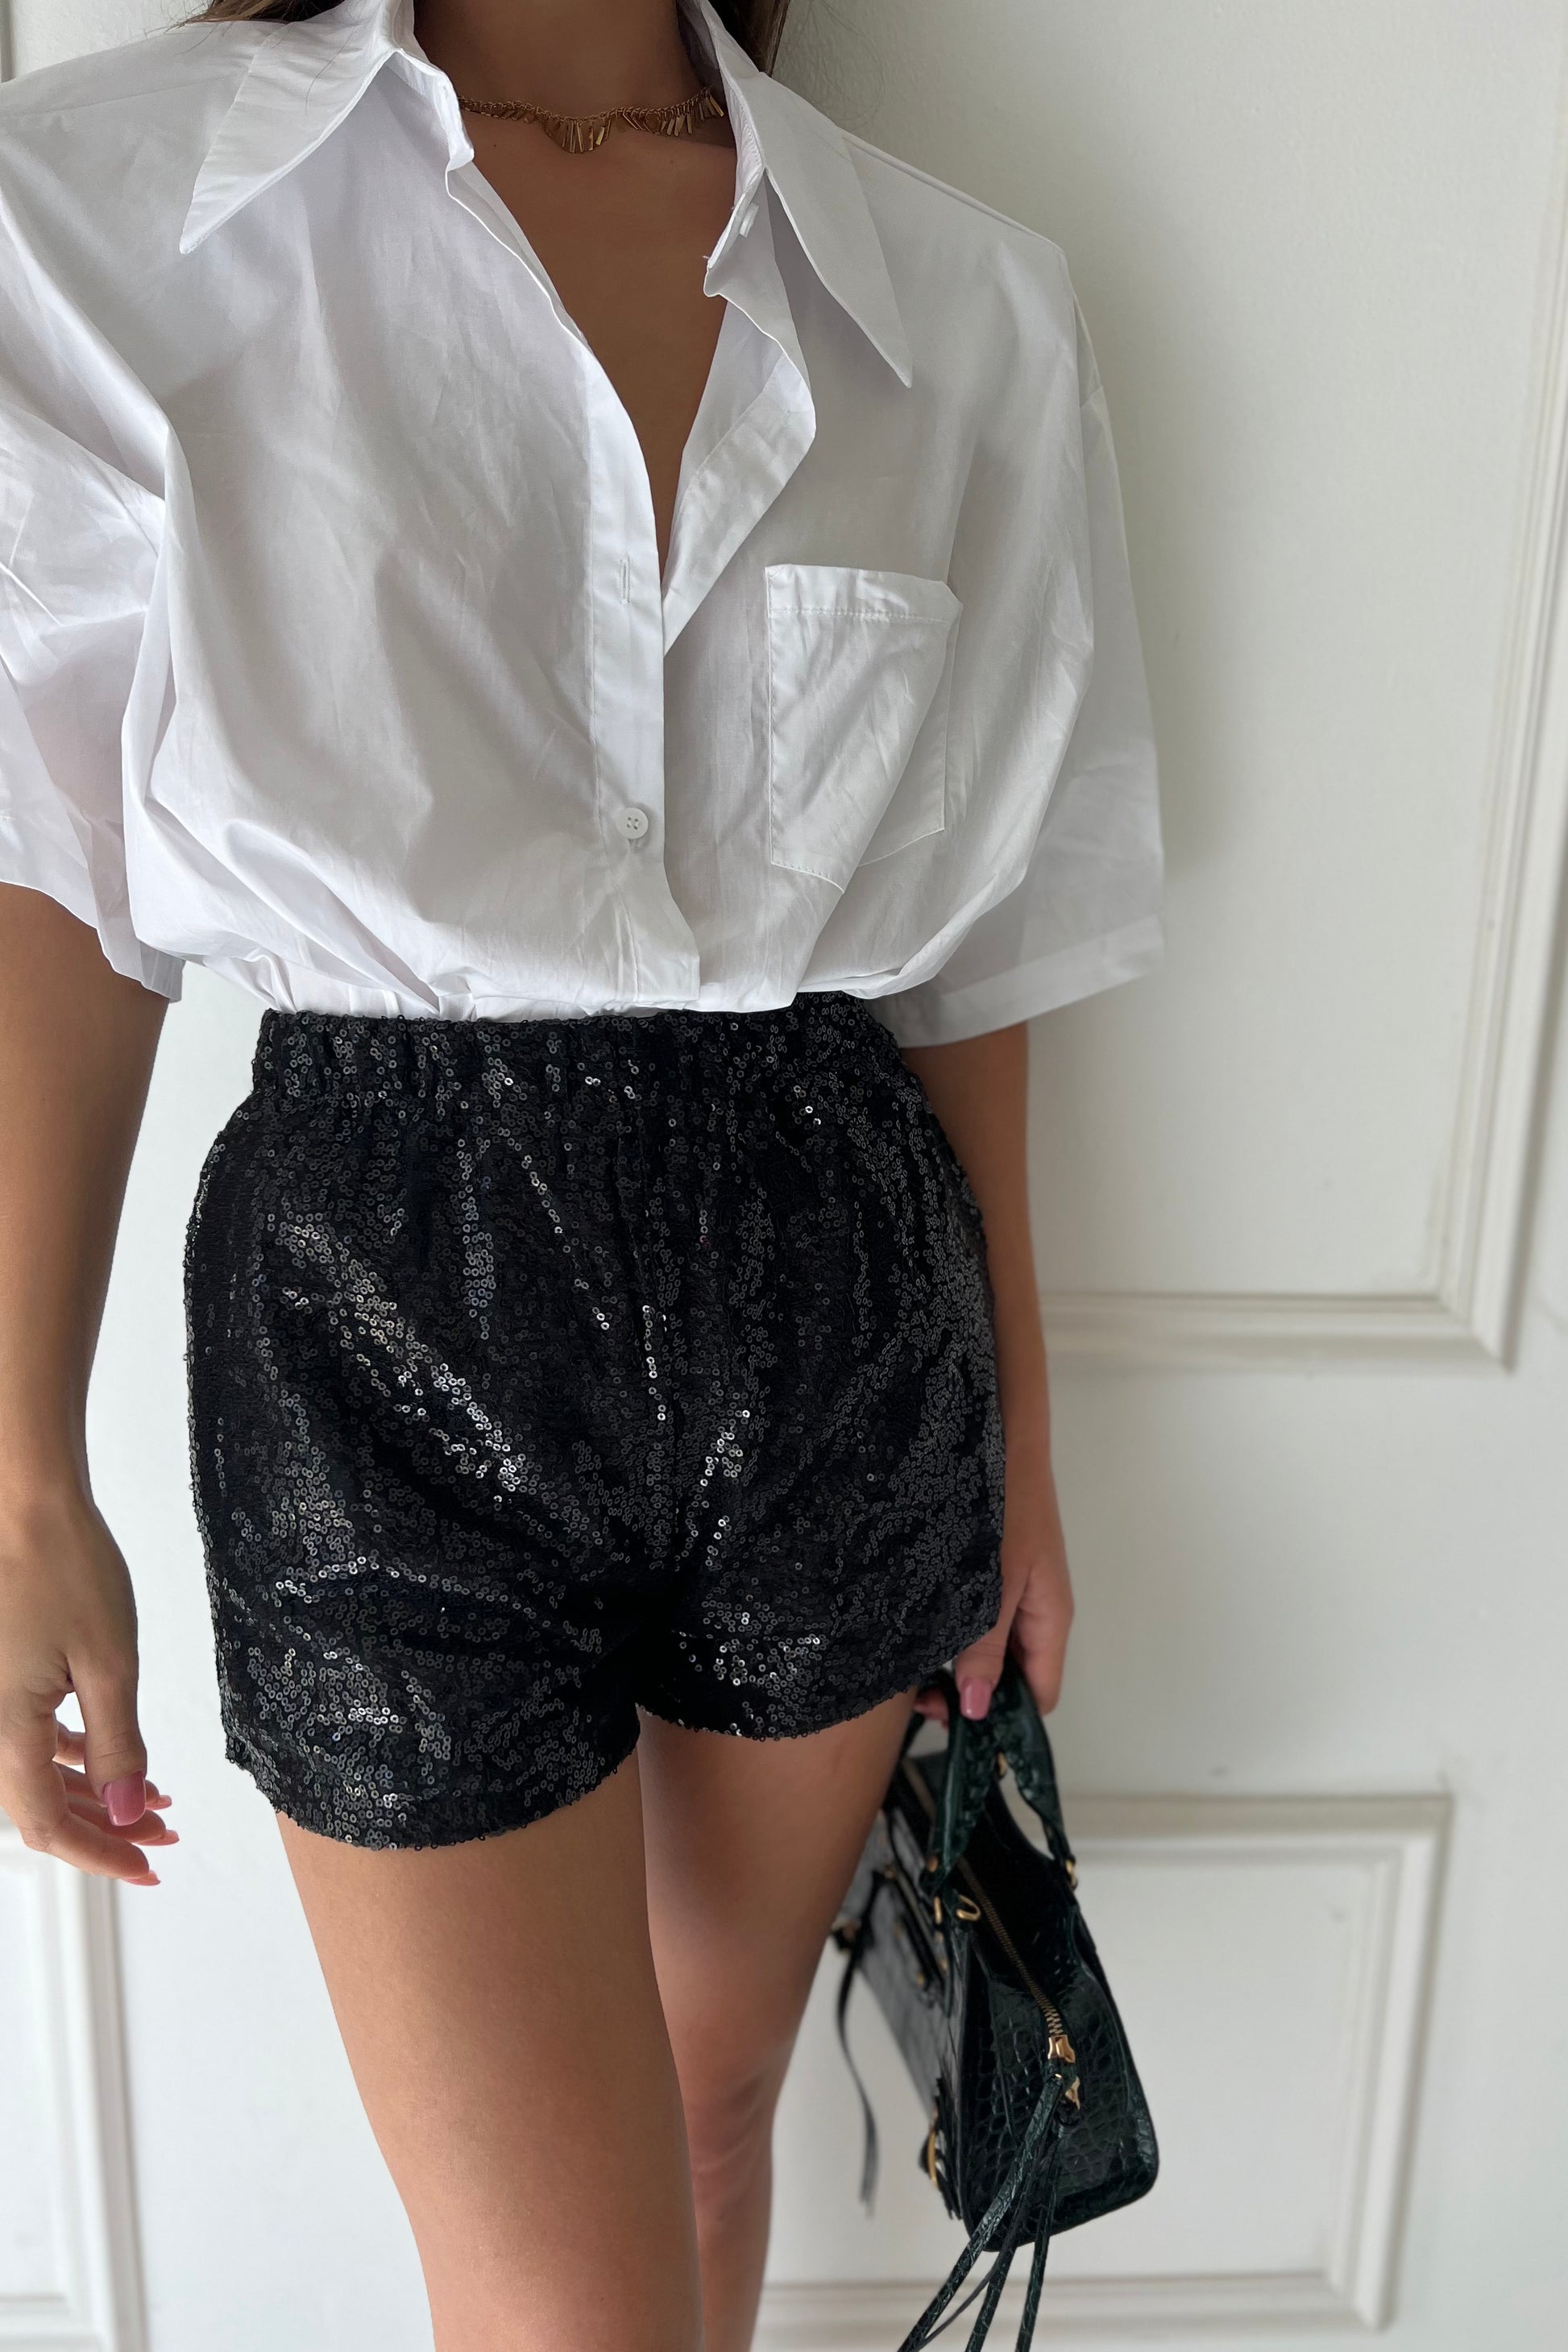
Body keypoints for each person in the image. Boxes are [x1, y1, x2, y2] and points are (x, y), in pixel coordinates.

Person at [0, 0, 1164, 2344]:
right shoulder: (99, 214)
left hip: (835, 1292)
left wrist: (1019, 1442)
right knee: (559, 2299)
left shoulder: (951, 295)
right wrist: (22, 1467)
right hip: (379, 1297)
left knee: (715, 2105)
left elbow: (992, 935)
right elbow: (50, 868)